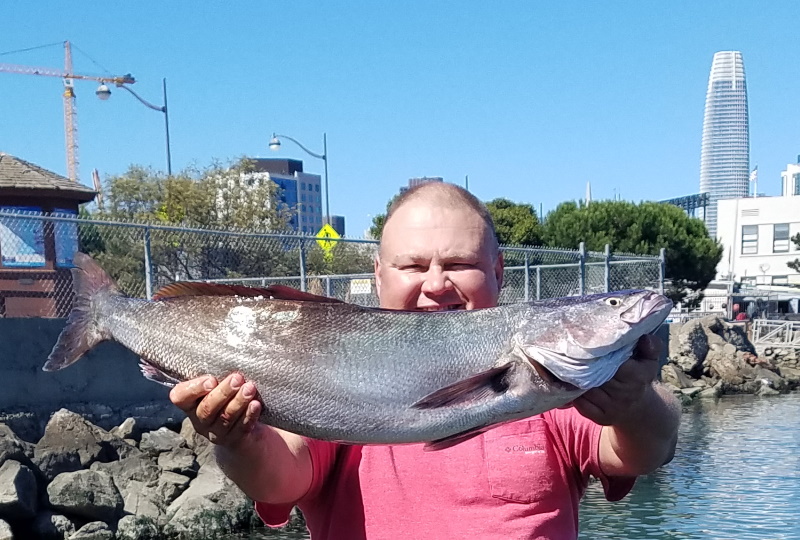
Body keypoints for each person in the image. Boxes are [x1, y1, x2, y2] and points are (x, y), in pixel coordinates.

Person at [169, 183, 681, 539]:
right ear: (377, 274)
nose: (436, 285)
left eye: (459, 264)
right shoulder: (330, 368)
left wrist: (633, 403)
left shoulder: (558, 386)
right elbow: (280, 479)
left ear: (499, 271)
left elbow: (645, 452)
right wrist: (238, 438)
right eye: (413, 265)